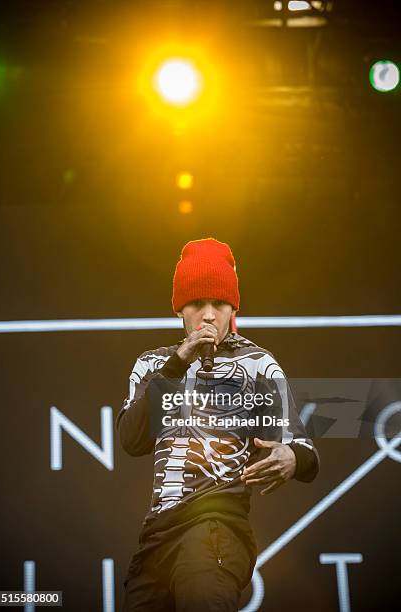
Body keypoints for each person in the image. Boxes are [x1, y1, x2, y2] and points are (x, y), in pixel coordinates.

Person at [116, 237, 320, 612]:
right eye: (197, 303)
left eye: (219, 304)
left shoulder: (258, 364)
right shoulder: (152, 365)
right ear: (180, 310)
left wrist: (292, 457)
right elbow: (132, 440)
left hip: (216, 529)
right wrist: (178, 363)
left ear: (232, 308)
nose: (208, 315)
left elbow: (305, 451)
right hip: (155, 539)